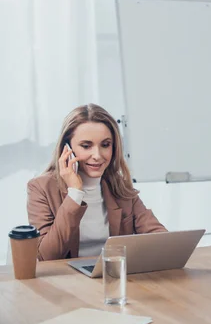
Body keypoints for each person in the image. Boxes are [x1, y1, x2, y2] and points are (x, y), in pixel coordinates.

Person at [27, 104, 167, 261]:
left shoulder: (118, 185)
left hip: (112, 276)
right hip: (66, 281)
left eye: (105, 145)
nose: (97, 155)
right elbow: (46, 256)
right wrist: (75, 193)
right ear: (67, 148)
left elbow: (159, 236)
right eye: (86, 146)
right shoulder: (41, 188)